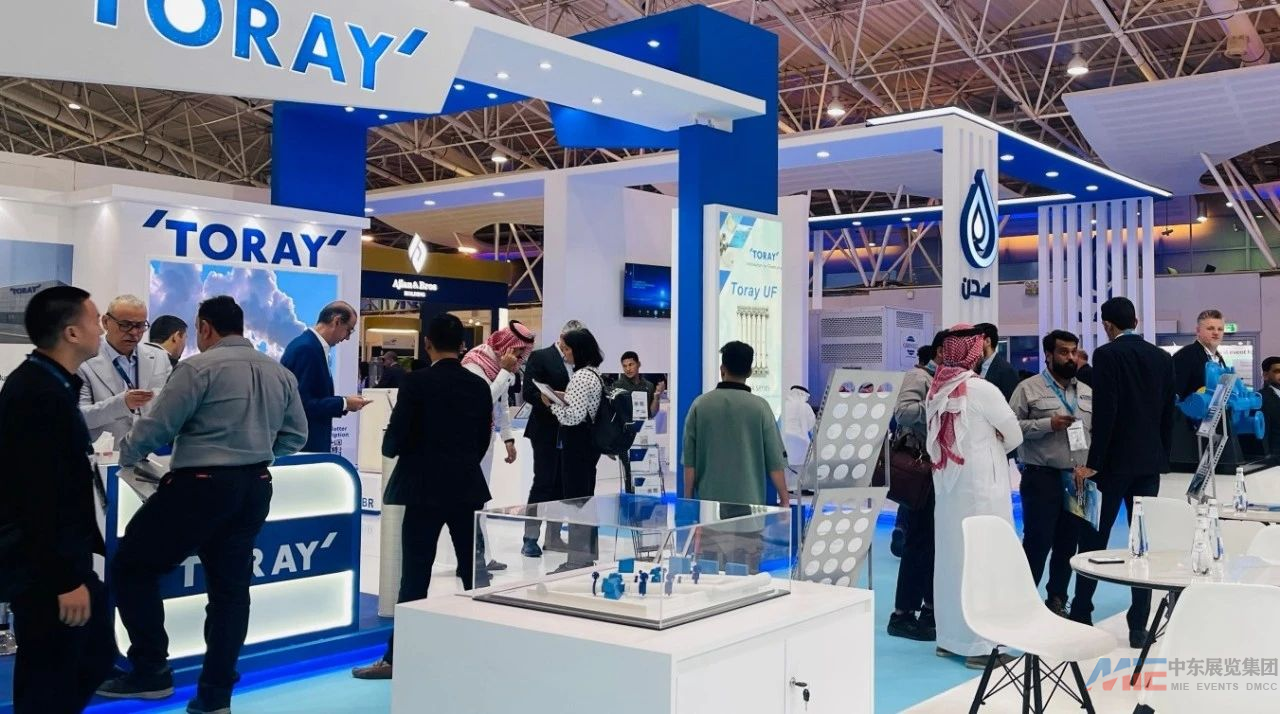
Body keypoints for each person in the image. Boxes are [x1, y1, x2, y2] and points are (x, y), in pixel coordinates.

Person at [98, 296, 308, 713]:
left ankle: (151, 670)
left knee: (132, 566)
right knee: (231, 592)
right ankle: (215, 696)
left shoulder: (198, 368)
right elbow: (295, 436)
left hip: (200, 486)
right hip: (255, 486)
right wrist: (256, 453)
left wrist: (128, 456)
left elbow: (158, 427)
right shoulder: (279, 372)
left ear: (205, 327)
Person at [351, 314, 494, 680]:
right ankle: (487, 649)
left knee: (414, 576)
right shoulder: (478, 386)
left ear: (427, 344)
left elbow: (394, 441)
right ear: (461, 345)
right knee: (473, 573)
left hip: (422, 490)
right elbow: (482, 440)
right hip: (465, 488)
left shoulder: (416, 383)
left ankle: (399, 657)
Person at [0, 286, 115, 714]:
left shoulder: (49, 385)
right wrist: (65, 579)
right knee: (54, 673)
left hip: (51, 562)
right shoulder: (38, 395)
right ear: (71, 332)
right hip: (44, 570)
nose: (101, 329)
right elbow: (39, 497)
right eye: (95, 320)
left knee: (82, 659)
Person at [1070, 297, 1176, 649]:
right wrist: (1162, 456)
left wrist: (1094, 461)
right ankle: (1138, 625)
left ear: (1107, 325)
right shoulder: (1161, 358)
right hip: (1149, 464)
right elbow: (1167, 412)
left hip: (1112, 464)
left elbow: (1107, 412)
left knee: (1094, 537)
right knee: (1141, 543)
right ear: (1136, 321)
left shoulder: (1107, 355)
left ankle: (1082, 611)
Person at [926, 325, 1023, 669]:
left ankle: (949, 639)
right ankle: (981, 646)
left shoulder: (937, 388)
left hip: (949, 491)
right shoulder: (982, 389)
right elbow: (1014, 434)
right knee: (984, 561)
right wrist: (995, 441)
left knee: (951, 560)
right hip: (983, 491)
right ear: (973, 351)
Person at [1009, 330, 1092, 619]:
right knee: (1037, 542)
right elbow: (1010, 428)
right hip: (1041, 477)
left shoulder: (1086, 391)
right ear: (1048, 355)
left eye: (1073, 352)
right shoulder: (1028, 389)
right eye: (1063, 352)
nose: (1070, 357)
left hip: (1077, 479)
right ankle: (1022, 603)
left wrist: (1090, 468)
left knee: (1068, 543)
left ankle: (1057, 600)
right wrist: (1047, 424)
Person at [461, 320, 537, 570]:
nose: (519, 357)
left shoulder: (498, 366)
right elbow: (482, 401)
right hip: (468, 440)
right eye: (518, 351)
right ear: (506, 344)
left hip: (485, 438)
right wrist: (505, 372)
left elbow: (501, 405)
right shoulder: (475, 363)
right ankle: (473, 559)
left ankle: (482, 557)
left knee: (481, 500)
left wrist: (508, 438)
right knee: (472, 499)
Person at [683, 341, 789, 507]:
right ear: (749, 372)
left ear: (722, 369)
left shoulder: (699, 405)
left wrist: (688, 500)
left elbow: (690, 461)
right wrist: (784, 498)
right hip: (750, 507)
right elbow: (775, 461)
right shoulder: (761, 407)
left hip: (709, 506)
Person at [887, 339, 939, 642]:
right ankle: (903, 613)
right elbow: (904, 413)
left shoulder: (941, 379)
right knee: (918, 544)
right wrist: (937, 402)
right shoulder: (918, 377)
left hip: (939, 474)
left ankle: (928, 609)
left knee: (931, 546)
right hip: (922, 473)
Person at [544, 328, 607, 571]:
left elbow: (573, 417)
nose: (565, 353)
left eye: (567, 349)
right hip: (588, 446)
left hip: (577, 446)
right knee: (585, 500)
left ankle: (577, 559)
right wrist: (564, 397)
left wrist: (552, 404)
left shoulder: (581, 377)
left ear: (578, 350)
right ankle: (585, 554)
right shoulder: (594, 374)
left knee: (577, 501)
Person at [519, 320, 581, 557]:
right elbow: (528, 392)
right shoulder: (541, 357)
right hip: (545, 430)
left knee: (562, 485)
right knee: (543, 483)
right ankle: (530, 538)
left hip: (569, 430)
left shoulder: (578, 360)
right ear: (562, 337)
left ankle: (554, 536)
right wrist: (547, 399)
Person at [78, 294, 172, 446]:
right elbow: (80, 417)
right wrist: (121, 404)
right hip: (106, 454)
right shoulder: (84, 360)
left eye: (140, 326)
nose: (134, 332)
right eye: (125, 325)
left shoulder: (159, 357)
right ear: (106, 322)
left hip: (152, 451)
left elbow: (170, 405)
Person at [281, 301, 370, 453]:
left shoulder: (309, 345)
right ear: (337, 321)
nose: (348, 338)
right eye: (349, 330)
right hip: (305, 447)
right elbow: (302, 404)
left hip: (307, 443)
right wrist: (344, 403)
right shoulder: (307, 349)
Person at [614, 350, 665, 492]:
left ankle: (646, 500)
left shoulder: (648, 386)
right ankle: (630, 499)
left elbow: (652, 413)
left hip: (644, 434)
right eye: (625, 366)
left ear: (638, 364)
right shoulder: (618, 386)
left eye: (631, 364)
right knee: (630, 473)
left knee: (646, 471)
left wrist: (656, 396)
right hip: (625, 436)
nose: (628, 369)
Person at [1172, 309, 1227, 400]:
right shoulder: (1185, 356)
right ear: (1198, 331)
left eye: (1220, 329)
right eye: (1210, 328)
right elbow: (1174, 396)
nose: (1216, 333)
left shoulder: (1219, 359)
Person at [973, 322, 1019, 400]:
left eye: (975, 341)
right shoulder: (975, 367)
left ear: (987, 341)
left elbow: (1010, 403)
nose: (972, 346)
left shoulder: (1007, 370)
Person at [1261, 356, 1280, 456]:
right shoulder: (1261, 398)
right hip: (1275, 457)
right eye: (1277, 371)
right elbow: (1264, 433)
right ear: (1266, 375)